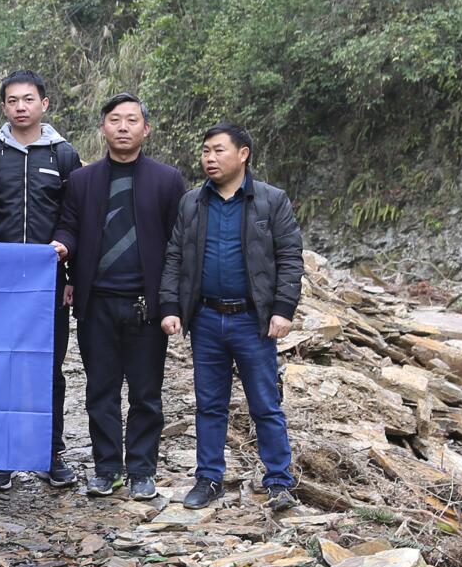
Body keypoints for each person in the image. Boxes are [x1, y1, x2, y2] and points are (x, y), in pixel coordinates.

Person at [159, 123, 303, 511]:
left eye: (218, 150)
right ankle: (209, 478)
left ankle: (278, 482)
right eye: (205, 151)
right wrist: (170, 306)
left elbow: (290, 257)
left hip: (253, 320)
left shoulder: (271, 200)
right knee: (209, 404)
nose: (210, 158)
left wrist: (283, 309)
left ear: (243, 154)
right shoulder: (192, 202)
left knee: (265, 403)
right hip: (206, 318)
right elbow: (175, 257)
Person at [51, 92, 184, 499]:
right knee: (100, 391)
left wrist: (172, 302)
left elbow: (179, 244)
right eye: (114, 120)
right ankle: (106, 468)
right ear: (102, 128)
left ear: (146, 129)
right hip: (97, 303)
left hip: (146, 304)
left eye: (131, 120)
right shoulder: (82, 180)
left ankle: (142, 469)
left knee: (146, 393)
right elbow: (69, 225)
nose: (122, 127)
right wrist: (63, 246)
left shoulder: (167, 180)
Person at [0, 70, 81, 492]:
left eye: (28, 99)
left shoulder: (64, 155)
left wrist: (68, 260)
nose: (21, 107)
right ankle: (3, 455)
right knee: (1, 368)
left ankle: (50, 453)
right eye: (13, 100)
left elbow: (74, 216)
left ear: (44, 104)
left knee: (49, 369)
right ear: (3, 107)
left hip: (49, 283)